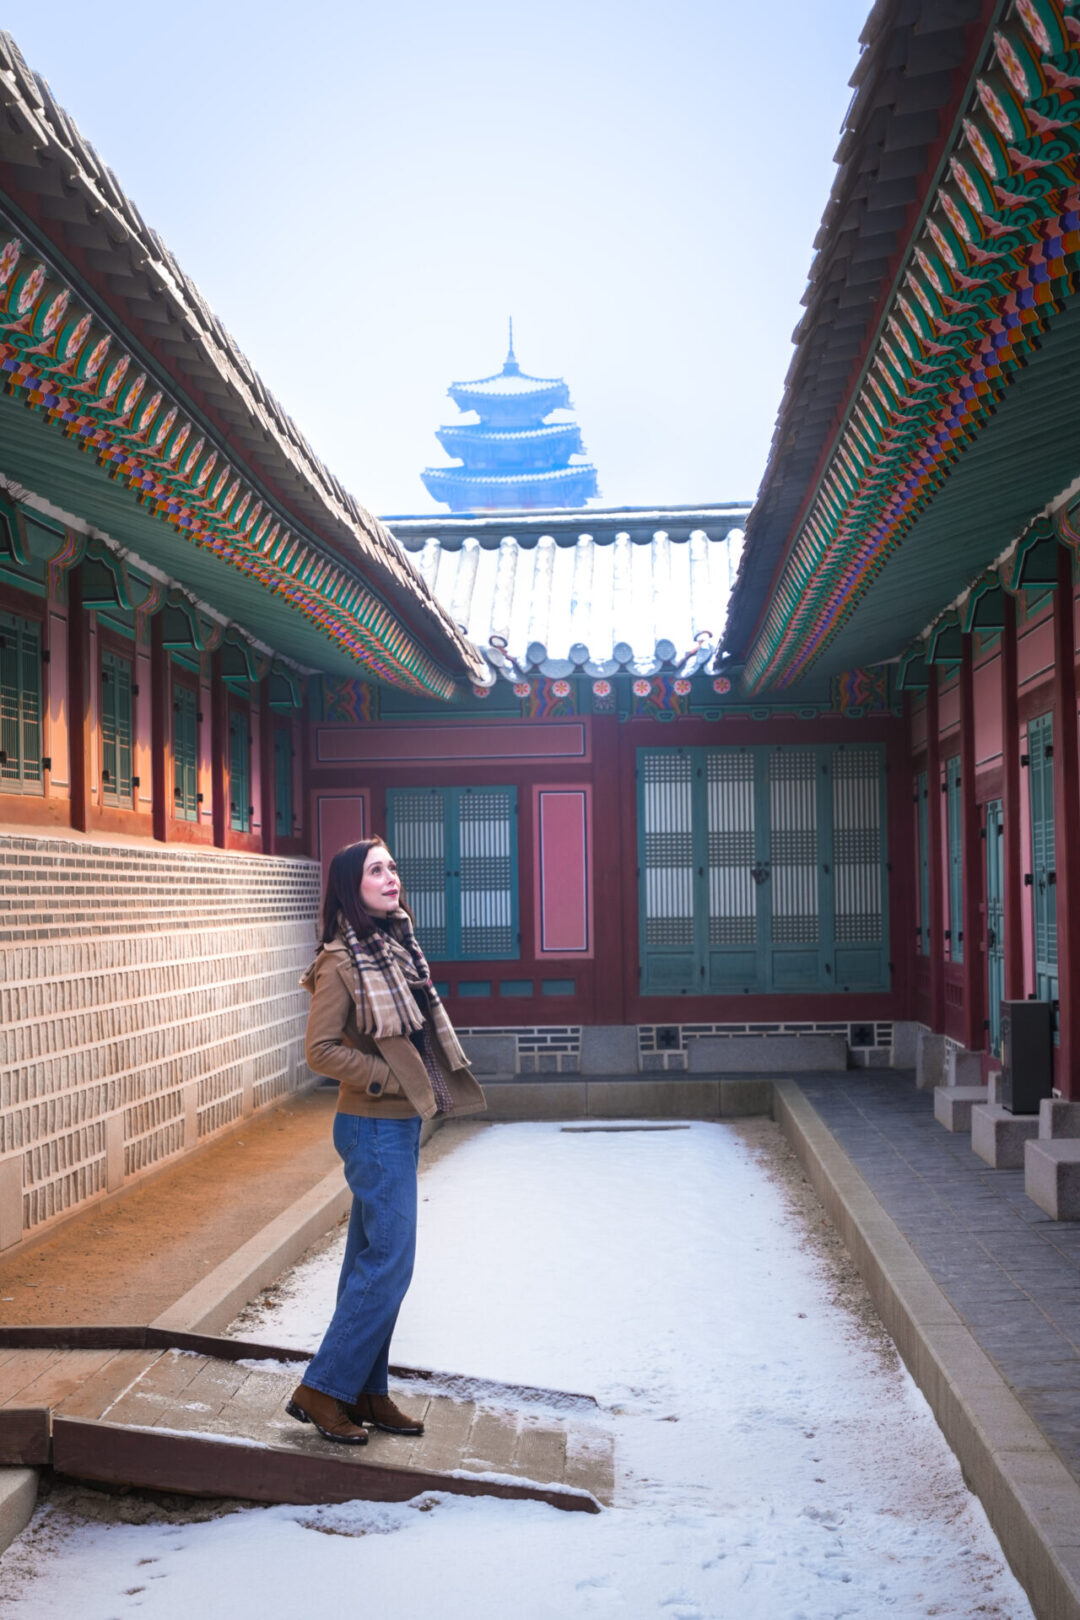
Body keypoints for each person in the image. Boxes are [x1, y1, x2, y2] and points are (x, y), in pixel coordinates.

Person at [286, 836, 486, 1444]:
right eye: (377, 870)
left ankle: (365, 1391)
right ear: (352, 885)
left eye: (393, 866)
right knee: (391, 1263)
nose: (391, 876)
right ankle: (322, 1389)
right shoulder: (340, 961)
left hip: (397, 1125)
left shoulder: (396, 947)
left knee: (369, 1265)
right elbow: (318, 1050)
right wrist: (384, 1077)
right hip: (372, 1123)